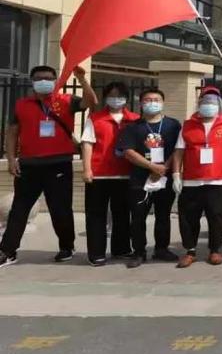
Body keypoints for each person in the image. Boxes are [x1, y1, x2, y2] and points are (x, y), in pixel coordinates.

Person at [0, 65, 97, 268]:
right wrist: (11, 159)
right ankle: (7, 251)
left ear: (55, 81)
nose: (44, 81)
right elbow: (12, 132)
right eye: (39, 78)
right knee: (19, 209)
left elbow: (91, 102)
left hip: (58, 164)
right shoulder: (22, 105)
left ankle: (66, 246)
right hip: (28, 165)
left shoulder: (66, 100)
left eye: (48, 78)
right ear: (32, 81)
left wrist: (82, 80)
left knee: (60, 209)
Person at [171, 87, 222, 268]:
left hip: (216, 180)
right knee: (188, 218)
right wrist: (176, 174)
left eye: (212, 102)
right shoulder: (188, 125)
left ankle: (215, 250)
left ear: (218, 104)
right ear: (199, 103)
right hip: (191, 180)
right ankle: (190, 251)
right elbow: (179, 151)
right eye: (205, 101)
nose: (208, 105)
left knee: (216, 217)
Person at [117, 88, 182, 268]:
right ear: (141, 103)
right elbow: (128, 152)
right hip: (140, 178)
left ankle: (162, 248)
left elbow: (178, 149)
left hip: (165, 177)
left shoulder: (173, 125)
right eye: (148, 100)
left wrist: (164, 168)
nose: (152, 103)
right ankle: (139, 252)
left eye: (156, 99)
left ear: (162, 102)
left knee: (163, 215)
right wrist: (151, 167)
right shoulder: (132, 127)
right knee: (138, 217)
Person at [81, 82, 139, 266]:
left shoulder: (135, 119)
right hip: (99, 174)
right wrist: (87, 168)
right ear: (105, 97)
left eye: (120, 95)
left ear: (126, 98)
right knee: (96, 215)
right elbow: (87, 143)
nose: (116, 99)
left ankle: (121, 249)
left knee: (122, 214)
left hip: (126, 174)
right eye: (112, 95)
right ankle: (96, 253)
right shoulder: (95, 119)